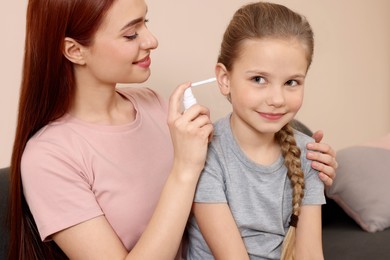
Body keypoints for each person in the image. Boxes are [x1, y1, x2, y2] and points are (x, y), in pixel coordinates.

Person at [8, 0, 336, 259]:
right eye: (131, 33)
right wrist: (185, 168)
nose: (152, 40)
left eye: (145, 23)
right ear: (75, 50)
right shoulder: (48, 157)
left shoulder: (155, 105)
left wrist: (311, 166)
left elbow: (244, 157)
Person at [187, 2, 326, 260]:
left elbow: (310, 254)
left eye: (291, 82)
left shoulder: (308, 155)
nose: (277, 98)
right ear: (225, 79)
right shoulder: (206, 152)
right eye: (259, 79)